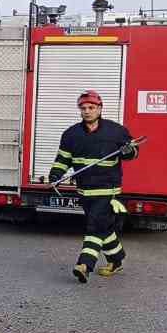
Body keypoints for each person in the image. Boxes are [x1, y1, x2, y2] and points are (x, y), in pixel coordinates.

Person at [47, 90, 138, 284]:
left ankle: (84, 265)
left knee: (94, 226)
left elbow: (133, 153)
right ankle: (116, 260)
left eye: (91, 107)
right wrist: (55, 175)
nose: (87, 111)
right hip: (85, 191)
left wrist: (128, 151)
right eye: (83, 108)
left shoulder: (116, 131)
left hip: (108, 191)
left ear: (100, 108)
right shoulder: (71, 134)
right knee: (103, 227)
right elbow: (63, 159)